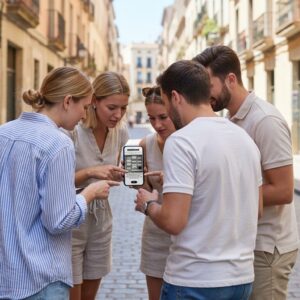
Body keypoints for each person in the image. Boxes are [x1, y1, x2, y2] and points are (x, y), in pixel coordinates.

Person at [135, 60, 263, 300]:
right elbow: (257, 209)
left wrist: (148, 203)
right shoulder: (245, 139)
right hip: (241, 279)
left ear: (175, 97)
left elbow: (173, 221)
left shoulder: (181, 141)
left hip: (194, 280)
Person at [0, 67, 118, 299]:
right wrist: (90, 193)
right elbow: (59, 220)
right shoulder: (59, 143)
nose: (84, 115)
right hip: (41, 278)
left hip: (6, 277)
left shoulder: (4, 132)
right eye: (84, 107)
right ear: (67, 101)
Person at [194, 45, 299, 300]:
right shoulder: (229, 120)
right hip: (244, 244)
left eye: (208, 85)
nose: (204, 94)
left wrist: (226, 194)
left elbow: (284, 190)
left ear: (231, 79)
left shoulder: (265, 121)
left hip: (267, 248)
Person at [68, 71, 130, 300]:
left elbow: (110, 173)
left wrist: (121, 174)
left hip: (102, 219)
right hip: (72, 219)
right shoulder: (73, 129)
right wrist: (91, 172)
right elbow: (55, 181)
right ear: (94, 101)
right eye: (112, 107)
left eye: (123, 108)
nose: (118, 115)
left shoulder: (121, 132)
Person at [139, 86, 176, 300]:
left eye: (163, 117)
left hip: (185, 234)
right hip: (155, 233)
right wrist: (138, 181)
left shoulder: (190, 142)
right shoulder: (146, 144)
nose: (157, 124)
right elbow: (147, 191)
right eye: (151, 118)